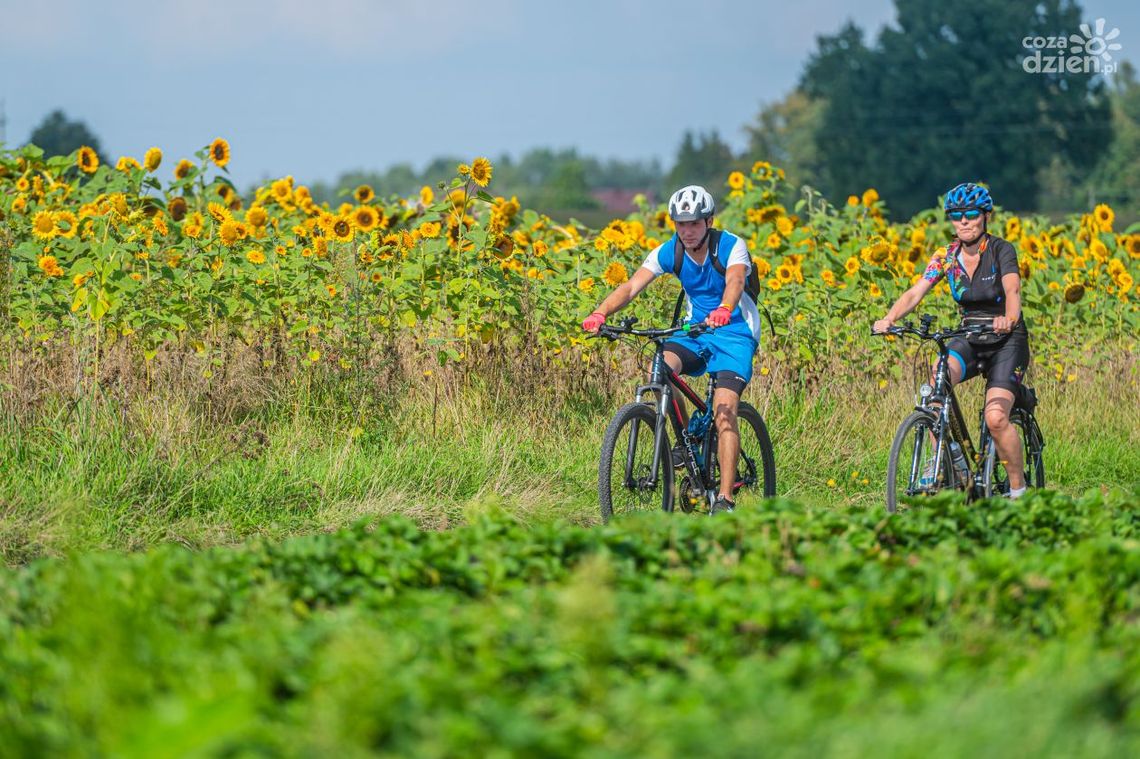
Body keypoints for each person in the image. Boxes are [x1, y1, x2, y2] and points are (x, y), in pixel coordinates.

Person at [582, 185, 761, 514]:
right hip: (695, 330)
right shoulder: (671, 251)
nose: (687, 231)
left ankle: (724, 499)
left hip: (734, 332)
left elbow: (735, 281)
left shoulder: (731, 246)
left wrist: (724, 307)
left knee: (724, 412)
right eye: (681, 224)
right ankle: (683, 443)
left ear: (708, 221)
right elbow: (632, 285)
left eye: (694, 223)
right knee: (661, 367)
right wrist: (600, 312)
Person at [872, 182, 1031, 498]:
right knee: (936, 379)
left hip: (1006, 340)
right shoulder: (946, 256)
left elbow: (1013, 292)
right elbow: (916, 291)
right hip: (970, 335)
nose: (964, 222)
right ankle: (945, 462)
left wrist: (1009, 319)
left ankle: (1018, 491)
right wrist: (890, 319)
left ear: (986, 216)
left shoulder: (1001, 251)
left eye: (971, 214)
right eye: (956, 216)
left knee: (996, 418)